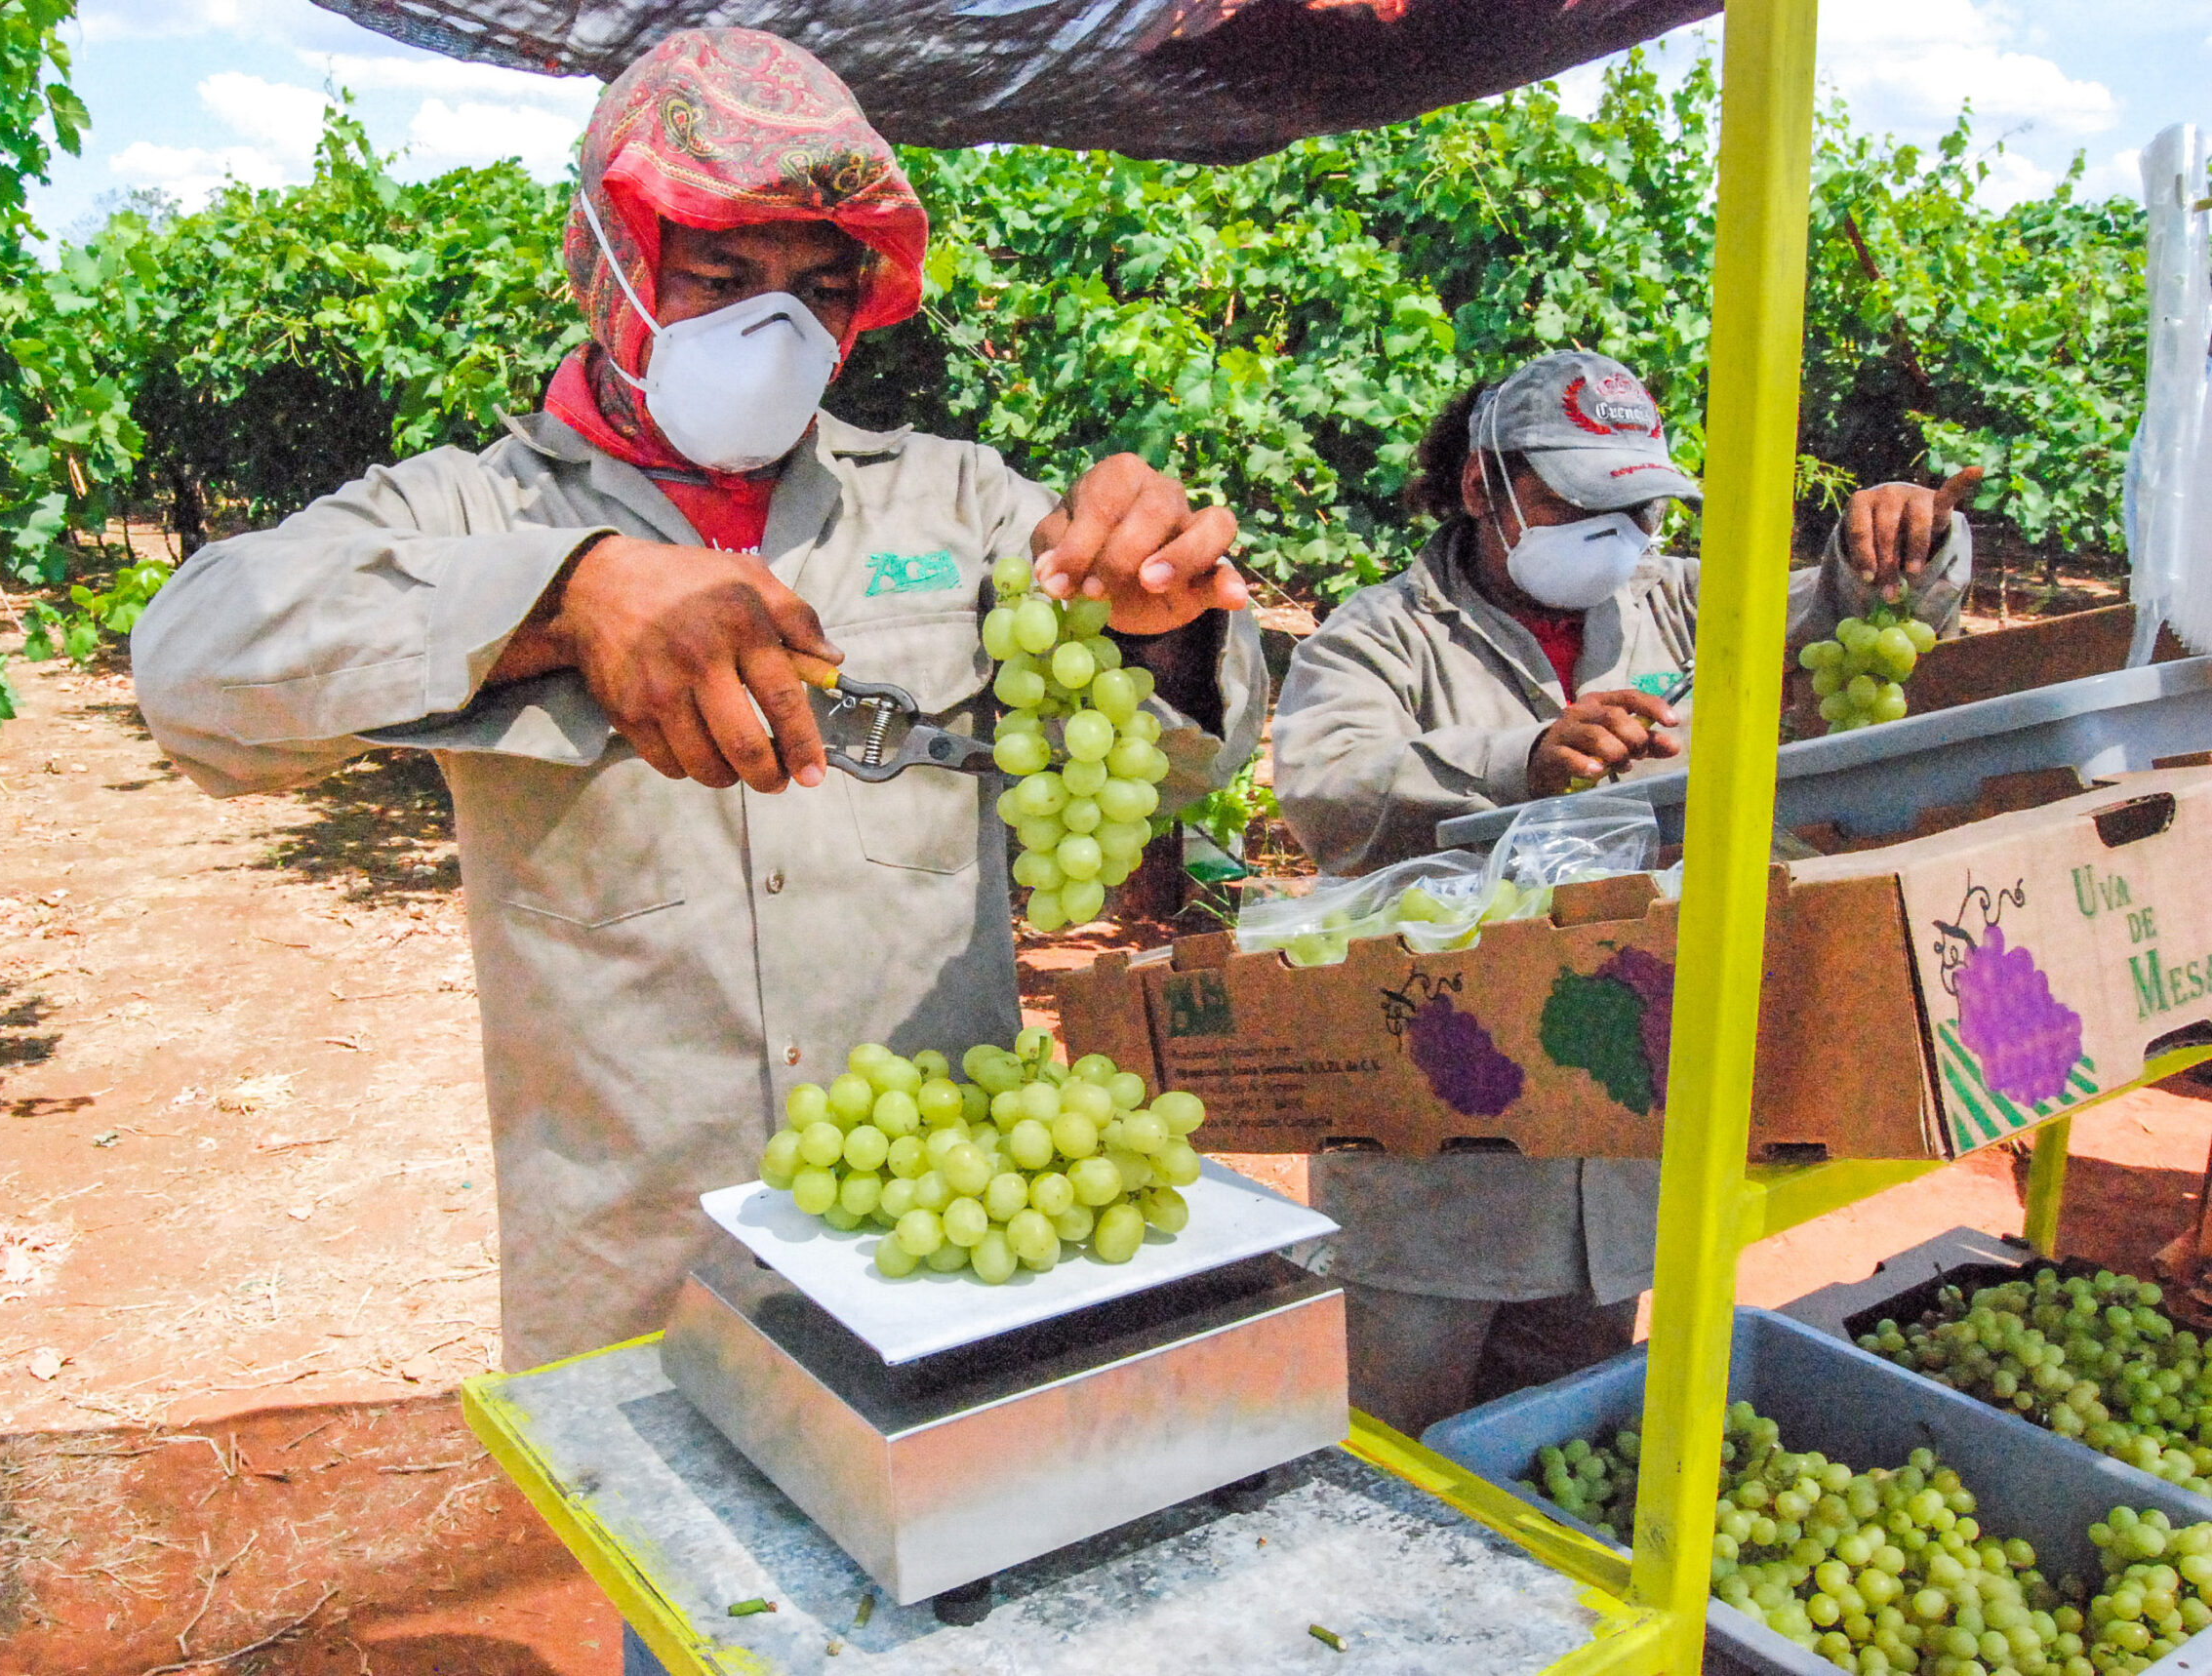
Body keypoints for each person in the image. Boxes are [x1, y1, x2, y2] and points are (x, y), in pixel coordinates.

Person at [130, 27, 1264, 1373]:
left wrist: (1156, 631)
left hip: (938, 1225)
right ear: (606, 267)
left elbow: (1169, 773)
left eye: (819, 290)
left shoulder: (957, 501)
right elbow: (192, 667)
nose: (774, 329)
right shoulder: (472, 508)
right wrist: (564, 597)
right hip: (639, 1267)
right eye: (720, 277)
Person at [1269, 349, 1976, 1432]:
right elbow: (1329, 789)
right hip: (1436, 1174)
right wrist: (1519, 759)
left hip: (1613, 1140)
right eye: (1578, 503)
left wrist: (1899, 545)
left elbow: (1838, 612)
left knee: (1559, 1436)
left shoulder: (1677, 601)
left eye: (1638, 506)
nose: (1617, 533)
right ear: (1482, 487)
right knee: (1390, 1441)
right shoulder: (1382, 634)